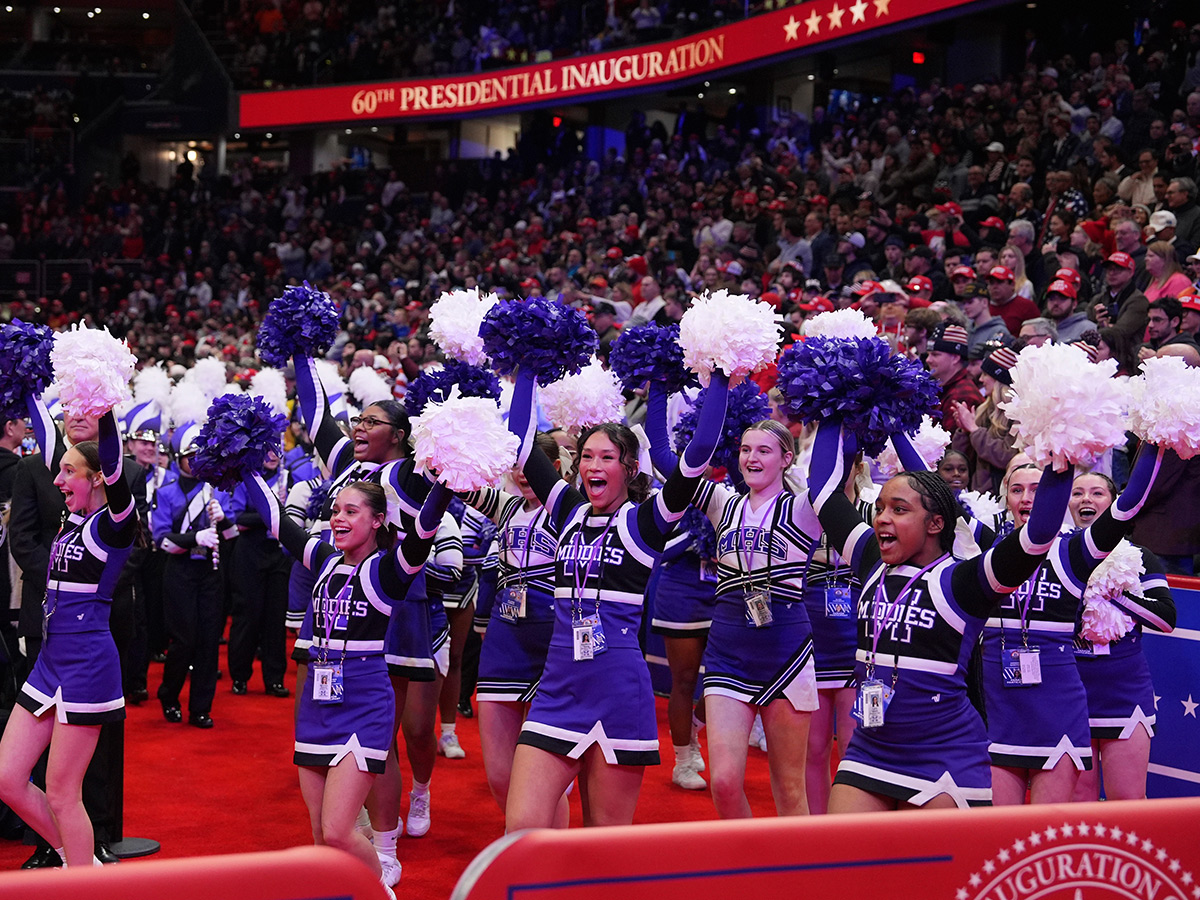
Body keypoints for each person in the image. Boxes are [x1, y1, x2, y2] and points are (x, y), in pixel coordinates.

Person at [805, 417, 1078, 811]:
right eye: (880, 507)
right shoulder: (869, 559)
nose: (881, 518)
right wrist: (831, 410)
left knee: (935, 873)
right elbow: (823, 493)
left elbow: (1035, 540)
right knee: (844, 864)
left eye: (898, 510)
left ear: (935, 524)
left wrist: (1060, 465)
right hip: (871, 746)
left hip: (945, 756)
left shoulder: (965, 581)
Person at [503, 363, 729, 830]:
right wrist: (525, 366)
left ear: (628, 468)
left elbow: (698, 453)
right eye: (586, 457)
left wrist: (720, 376)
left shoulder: (645, 523)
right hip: (558, 689)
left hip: (617, 691)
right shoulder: (566, 508)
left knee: (603, 847)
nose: (592, 466)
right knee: (521, 829)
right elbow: (520, 444)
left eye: (606, 458)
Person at [239, 469, 452, 900]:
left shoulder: (389, 572)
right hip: (318, 706)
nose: (338, 518)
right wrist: (241, 465)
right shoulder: (322, 560)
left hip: (365, 705)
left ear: (377, 521)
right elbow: (278, 520)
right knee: (321, 835)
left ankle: (379, 894)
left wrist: (447, 480)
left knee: (339, 831)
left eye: (351, 512)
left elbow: (424, 531)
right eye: (335, 510)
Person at [981, 443, 1164, 805]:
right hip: (1003, 712)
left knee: (1069, 824)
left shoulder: (1073, 554)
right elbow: (945, 500)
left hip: (1064, 711)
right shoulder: (989, 552)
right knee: (1000, 833)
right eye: (1017, 490)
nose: (1029, 499)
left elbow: (1128, 507)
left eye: (1039, 489)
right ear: (1007, 499)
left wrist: (1156, 439)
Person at [0, 398, 134, 867]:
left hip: (88, 665)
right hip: (50, 660)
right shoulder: (72, 523)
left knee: (61, 791)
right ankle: (77, 859)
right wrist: (35, 389)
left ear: (97, 478)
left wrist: (105, 407)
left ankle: (82, 883)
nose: (57, 481)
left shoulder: (114, 526)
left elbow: (113, 460)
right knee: (7, 777)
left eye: (68, 472)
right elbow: (55, 434)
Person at [461, 433, 568, 821]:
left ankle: (549, 859)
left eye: (534, 465)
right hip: (505, 640)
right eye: (520, 466)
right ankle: (525, 845)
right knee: (501, 775)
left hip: (553, 638)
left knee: (544, 774)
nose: (525, 474)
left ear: (554, 469)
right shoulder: (507, 509)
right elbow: (461, 486)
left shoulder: (572, 512)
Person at [1069, 473, 1177, 802]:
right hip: (1070, 694)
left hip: (1124, 692)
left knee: (1128, 803)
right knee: (1078, 809)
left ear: (1115, 504)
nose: (1086, 499)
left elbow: (1166, 619)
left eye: (1097, 492)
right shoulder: (1058, 554)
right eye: (1077, 493)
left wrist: (1115, 594)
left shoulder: (1140, 556)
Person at [152, 423, 236, 728]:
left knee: (208, 642)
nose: (196, 462)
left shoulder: (216, 490)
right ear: (179, 458)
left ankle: (201, 706)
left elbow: (232, 535)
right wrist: (194, 539)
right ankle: (169, 695)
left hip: (211, 574)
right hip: (180, 573)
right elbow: (162, 539)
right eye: (190, 456)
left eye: (202, 456)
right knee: (184, 640)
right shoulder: (166, 493)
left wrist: (223, 520)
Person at [227, 449, 292, 697]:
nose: (272, 454)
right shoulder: (249, 477)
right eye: (266, 449)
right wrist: (274, 514)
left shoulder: (289, 478)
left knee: (275, 618)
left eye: (277, 449)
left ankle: (274, 678)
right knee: (247, 614)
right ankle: (240, 677)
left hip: (278, 552)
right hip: (249, 551)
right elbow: (238, 518)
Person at [952, 345, 1020, 494]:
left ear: (999, 379)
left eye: (986, 374)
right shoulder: (984, 410)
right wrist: (964, 431)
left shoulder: (1019, 414)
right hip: (978, 495)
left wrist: (975, 431)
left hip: (1002, 496)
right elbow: (964, 459)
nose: (981, 379)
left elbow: (1007, 458)